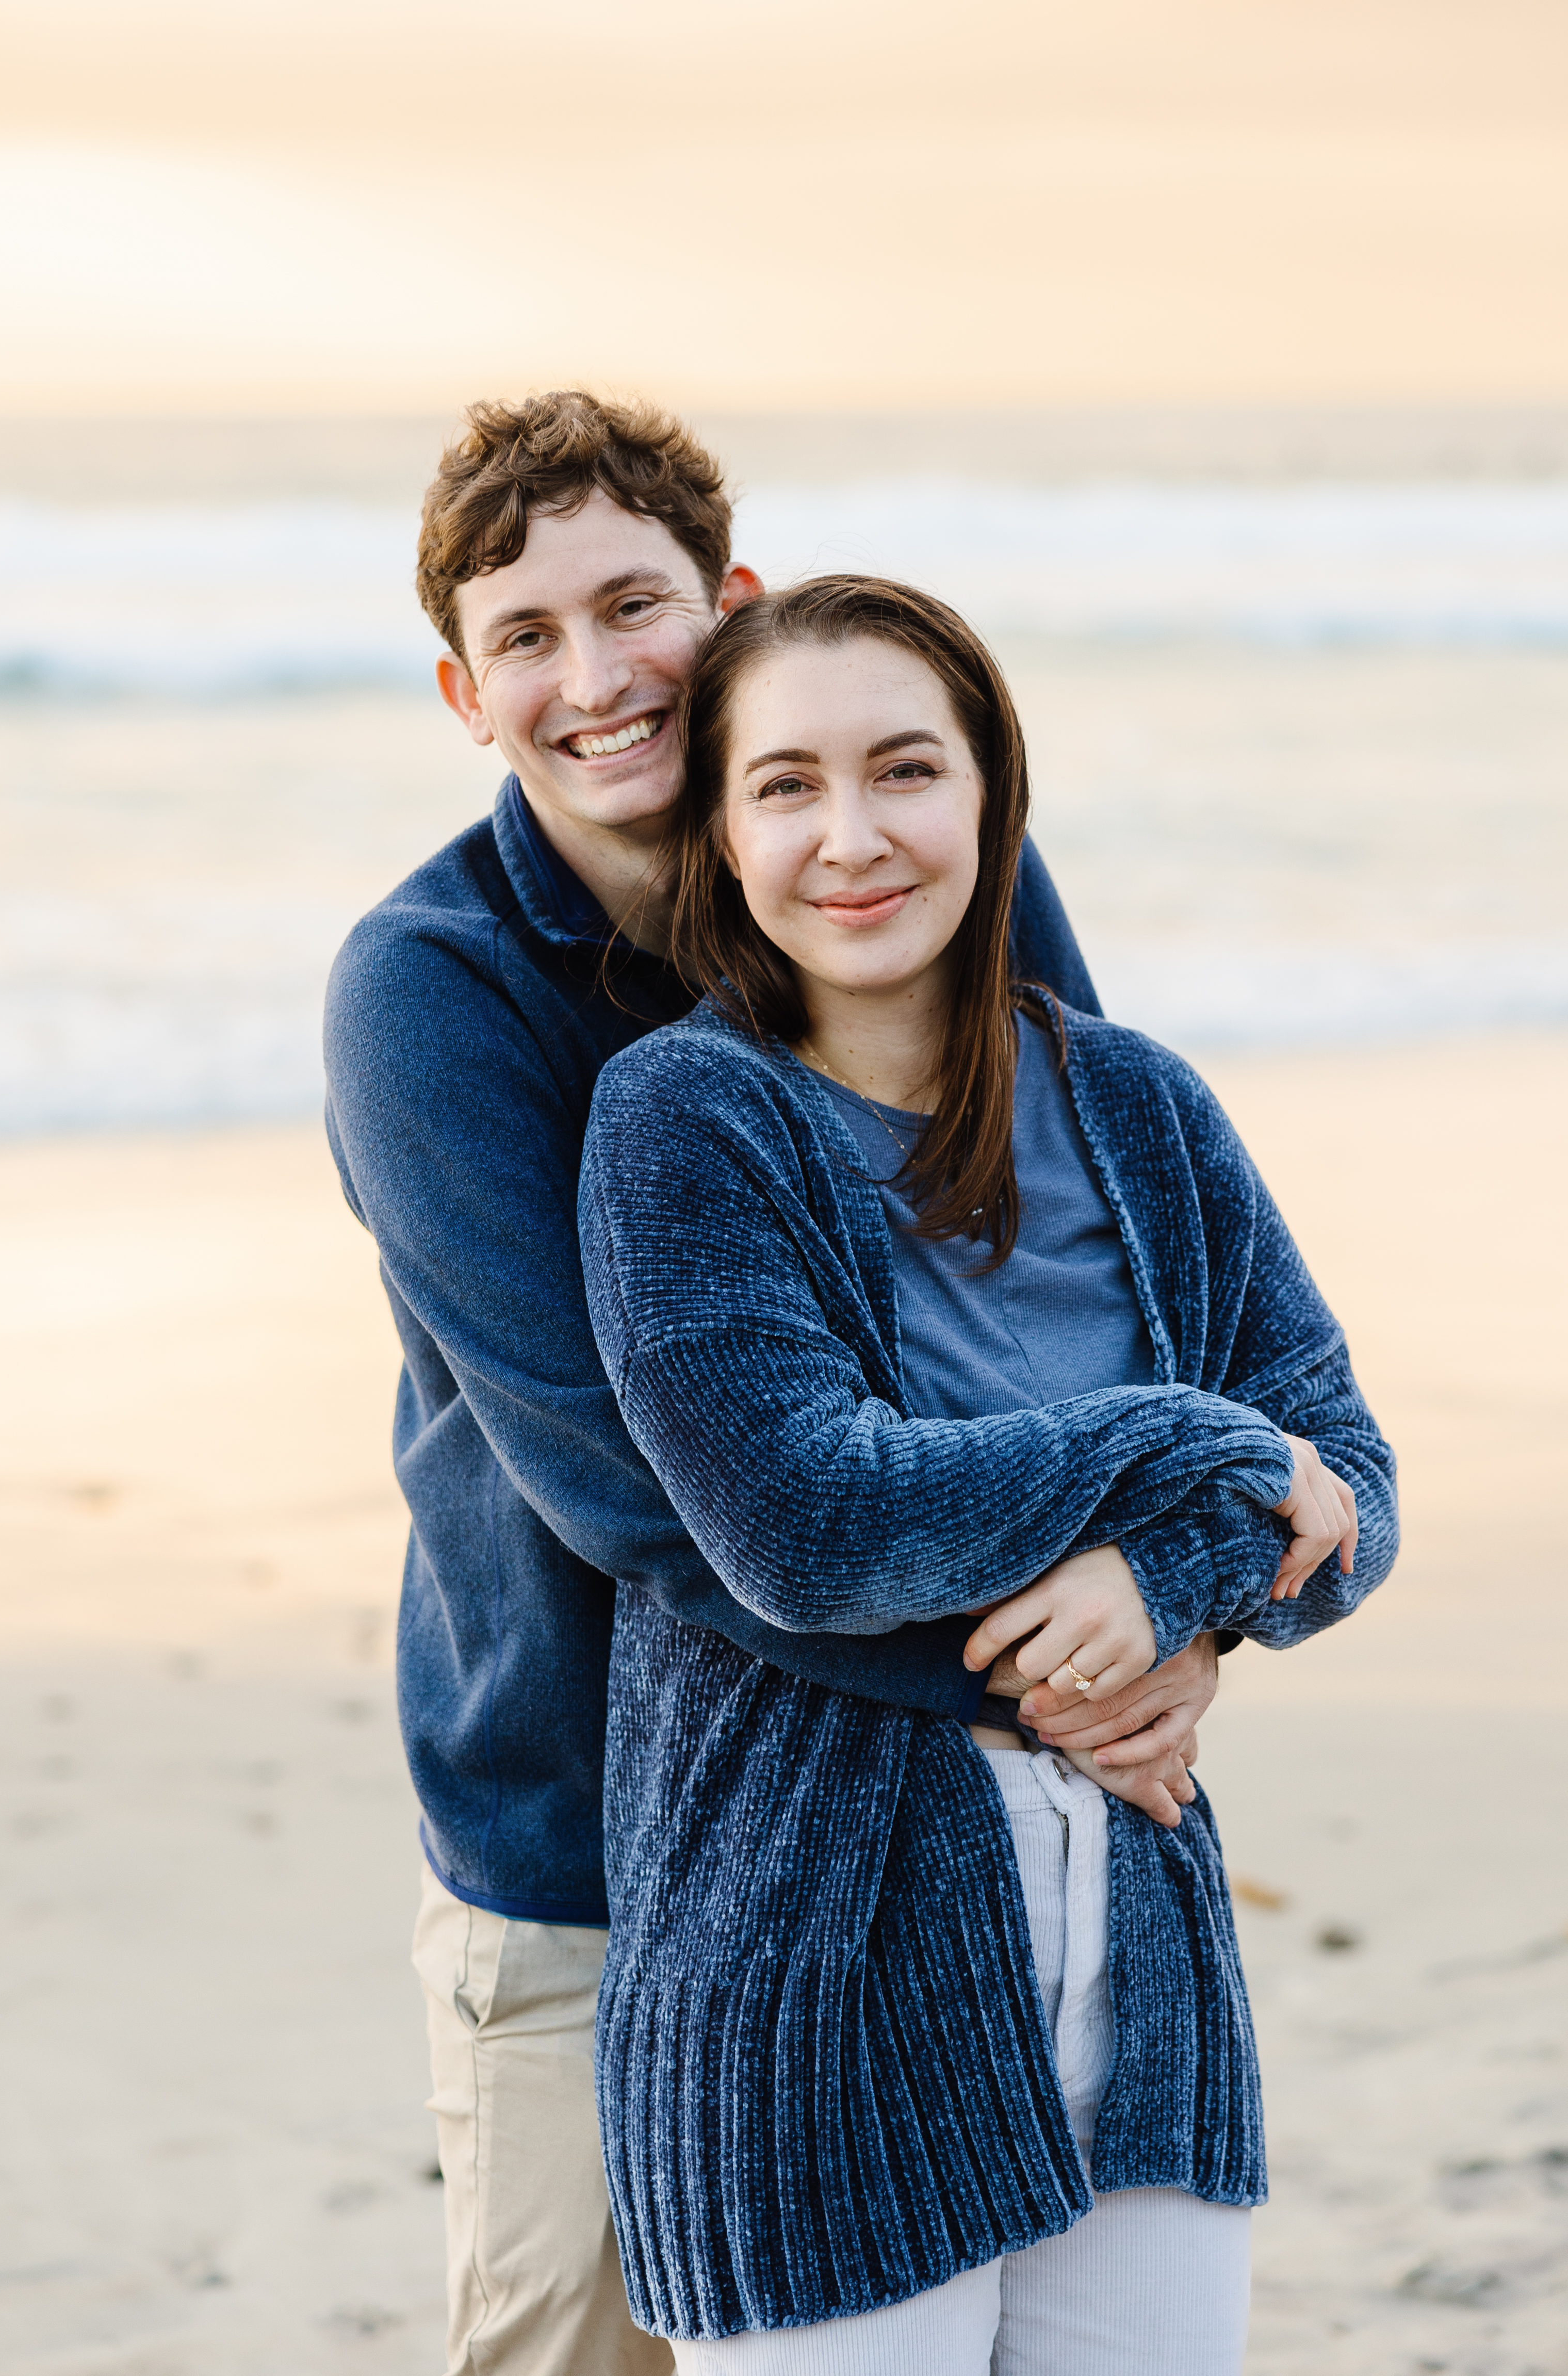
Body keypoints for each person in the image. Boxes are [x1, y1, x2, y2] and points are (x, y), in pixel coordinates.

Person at [324, 394, 1222, 2376]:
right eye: (528, 640)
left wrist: (1183, 1599)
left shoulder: (904, 874)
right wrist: (1080, 1682)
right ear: (465, 695)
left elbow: (1102, 1283)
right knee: (579, 2347)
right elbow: (643, 1494)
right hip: (580, 1834)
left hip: (905, 1811)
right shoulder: (431, 993)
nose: (595, 679)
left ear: (724, 606)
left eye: (632, 607)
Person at [576, 575, 1399, 2373]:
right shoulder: (685, 1121)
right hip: (813, 1985)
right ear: (720, 829)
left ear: (991, 798)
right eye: (785, 784)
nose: (852, 837)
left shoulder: (1143, 1104)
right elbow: (809, 1522)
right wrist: (1204, 1452)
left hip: (1153, 1963)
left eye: (905, 770)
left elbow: (1352, 1489)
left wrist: (1169, 1583)